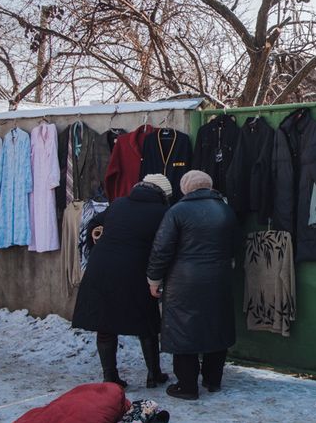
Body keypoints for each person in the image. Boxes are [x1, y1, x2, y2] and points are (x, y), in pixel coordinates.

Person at [72, 173, 173, 389]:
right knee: (146, 323)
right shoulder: (163, 212)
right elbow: (165, 245)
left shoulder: (118, 204)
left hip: (101, 267)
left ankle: (110, 378)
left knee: (105, 324)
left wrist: (97, 238)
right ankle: (153, 374)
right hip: (135, 270)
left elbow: (93, 225)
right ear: (163, 195)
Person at [147, 170, 237, 401]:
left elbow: (161, 249)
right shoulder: (225, 209)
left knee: (183, 328)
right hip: (219, 277)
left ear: (185, 187)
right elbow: (235, 245)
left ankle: (187, 386)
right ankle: (213, 380)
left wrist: (154, 279)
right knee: (217, 324)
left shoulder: (177, 211)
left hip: (184, 281)